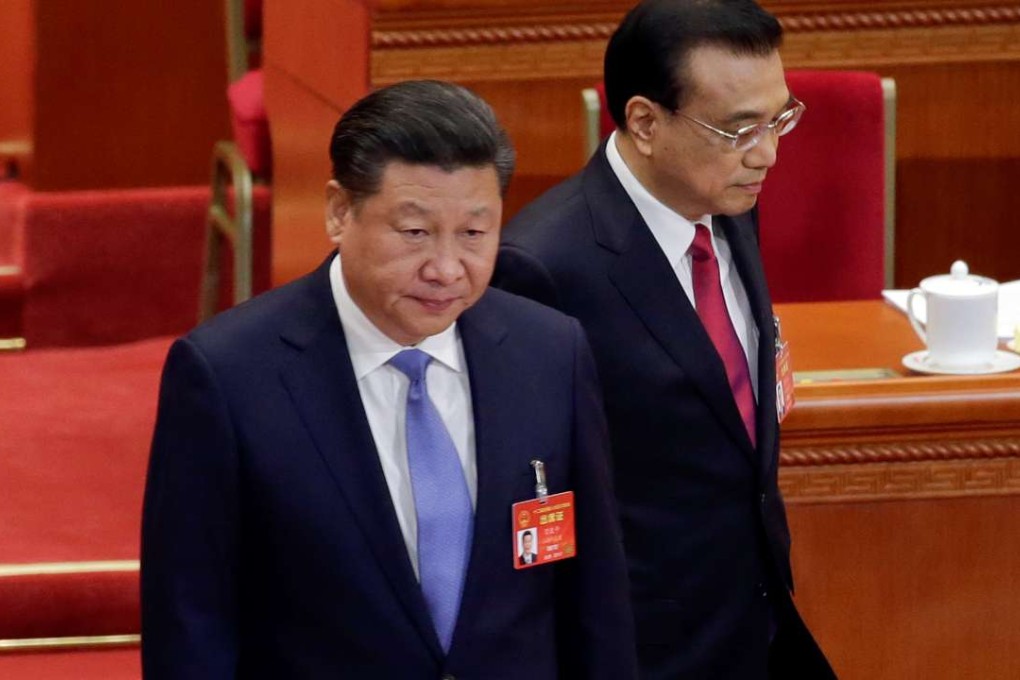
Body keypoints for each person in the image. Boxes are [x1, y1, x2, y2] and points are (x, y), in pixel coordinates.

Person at [141, 80, 637, 679]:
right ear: (339, 211)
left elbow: (595, 598)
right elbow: (191, 624)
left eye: (475, 234)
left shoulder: (551, 352)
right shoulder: (228, 375)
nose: (448, 268)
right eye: (415, 233)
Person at [493, 1, 836, 678]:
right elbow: (531, 499)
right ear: (645, 122)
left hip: (757, 617)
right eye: (739, 129)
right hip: (645, 646)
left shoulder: (727, 199)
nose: (767, 153)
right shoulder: (544, 265)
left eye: (779, 120)